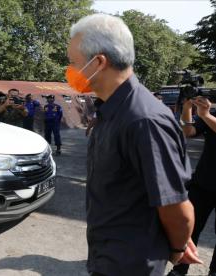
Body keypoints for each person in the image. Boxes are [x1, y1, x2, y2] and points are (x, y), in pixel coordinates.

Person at [66, 13, 202, 275]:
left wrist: (176, 248)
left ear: (98, 62)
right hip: (108, 253)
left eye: (73, 62)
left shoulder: (143, 120)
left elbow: (177, 209)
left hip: (130, 264)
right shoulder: (112, 110)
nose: (69, 70)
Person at [168, 96, 216, 276]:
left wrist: (205, 115)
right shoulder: (211, 114)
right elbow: (188, 132)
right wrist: (187, 109)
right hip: (203, 181)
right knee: (190, 227)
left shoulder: (209, 115)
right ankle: (180, 269)